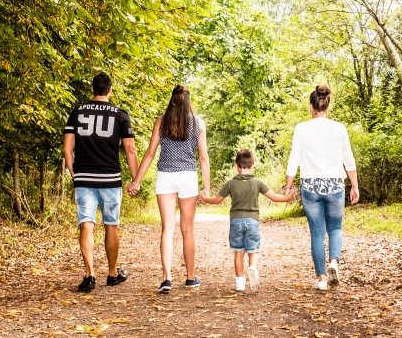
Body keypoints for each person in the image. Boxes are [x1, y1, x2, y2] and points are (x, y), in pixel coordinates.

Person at [127, 84, 210, 293]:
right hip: (188, 177)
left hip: (165, 177)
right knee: (187, 229)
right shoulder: (198, 123)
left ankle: (167, 279)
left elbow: (150, 153)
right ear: (188, 101)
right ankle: (190, 278)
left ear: (171, 100)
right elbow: (203, 157)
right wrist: (206, 187)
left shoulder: (161, 122)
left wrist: (136, 181)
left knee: (167, 228)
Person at [63, 72, 139, 293]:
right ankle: (113, 274)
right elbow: (130, 149)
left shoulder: (77, 112)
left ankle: (89, 275)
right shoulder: (120, 115)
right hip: (110, 178)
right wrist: (135, 179)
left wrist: (73, 172)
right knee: (111, 224)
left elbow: (68, 148)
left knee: (86, 223)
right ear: (110, 90)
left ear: (92, 89)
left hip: (84, 177)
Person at [285, 85, 359, 291]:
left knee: (317, 232)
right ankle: (334, 262)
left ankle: (321, 279)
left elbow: (294, 159)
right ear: (327, 105)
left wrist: (288, 186)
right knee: (335, 228)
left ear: (311, 106)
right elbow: (348, 159)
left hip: (311, 185)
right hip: (335, 183)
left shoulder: (301, 129)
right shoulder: (339, 128)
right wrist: (354, 185)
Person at [199, 149, 295, 292]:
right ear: (253, 165)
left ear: (236, 165)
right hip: (252, 221)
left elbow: (217, 200)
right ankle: (253, 267)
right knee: (253, 249)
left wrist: (205, 198)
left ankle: (239, 283)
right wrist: (287, 198)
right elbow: (274, 197)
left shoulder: (230, 184)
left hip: (236, 221)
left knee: (238, 251)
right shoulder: (258, 182)